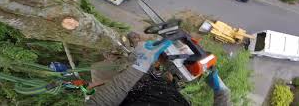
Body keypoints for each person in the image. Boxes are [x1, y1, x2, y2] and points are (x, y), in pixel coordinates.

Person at [86, 40, 231, 106]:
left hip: (128, 90)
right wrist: (222, 93)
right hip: (165, 90)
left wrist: (139, 66)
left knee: (100, 68)